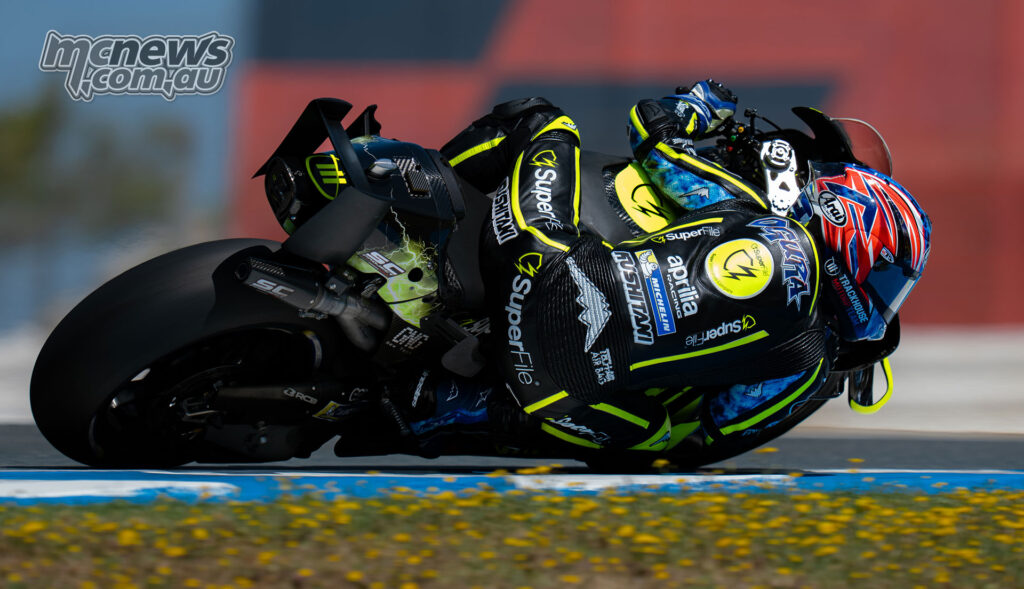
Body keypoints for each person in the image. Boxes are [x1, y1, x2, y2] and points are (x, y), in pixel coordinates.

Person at [393, 81, 931, 458]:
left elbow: (652, 136)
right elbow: (711, 436)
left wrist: (695, 105)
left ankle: (413, 195)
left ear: (845, 217)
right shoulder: (808, 371)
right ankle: (464, 410)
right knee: (653, 433)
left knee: (541, 120)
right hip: (569, 406)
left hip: (541, 266)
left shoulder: (767, 225)